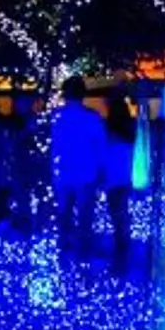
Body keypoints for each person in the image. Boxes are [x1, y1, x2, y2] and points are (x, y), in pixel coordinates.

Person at [50, 77, 107, 254]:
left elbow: (52, 146)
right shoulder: (92, 118)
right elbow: (101, 148)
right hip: (86, 173)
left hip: (63, 173)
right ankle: (83, 249)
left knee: (64, 213)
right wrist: (101, 171)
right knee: (85, 215)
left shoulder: (56, 117)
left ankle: (64, 247)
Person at [101, 93, 137, 272]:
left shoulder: (108, 130)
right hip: (124, 174)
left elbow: (104, 153)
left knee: (116, 211)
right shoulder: (128, 128)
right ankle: (123, 243)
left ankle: (121, 245)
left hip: (112, 176)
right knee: (121, 211)